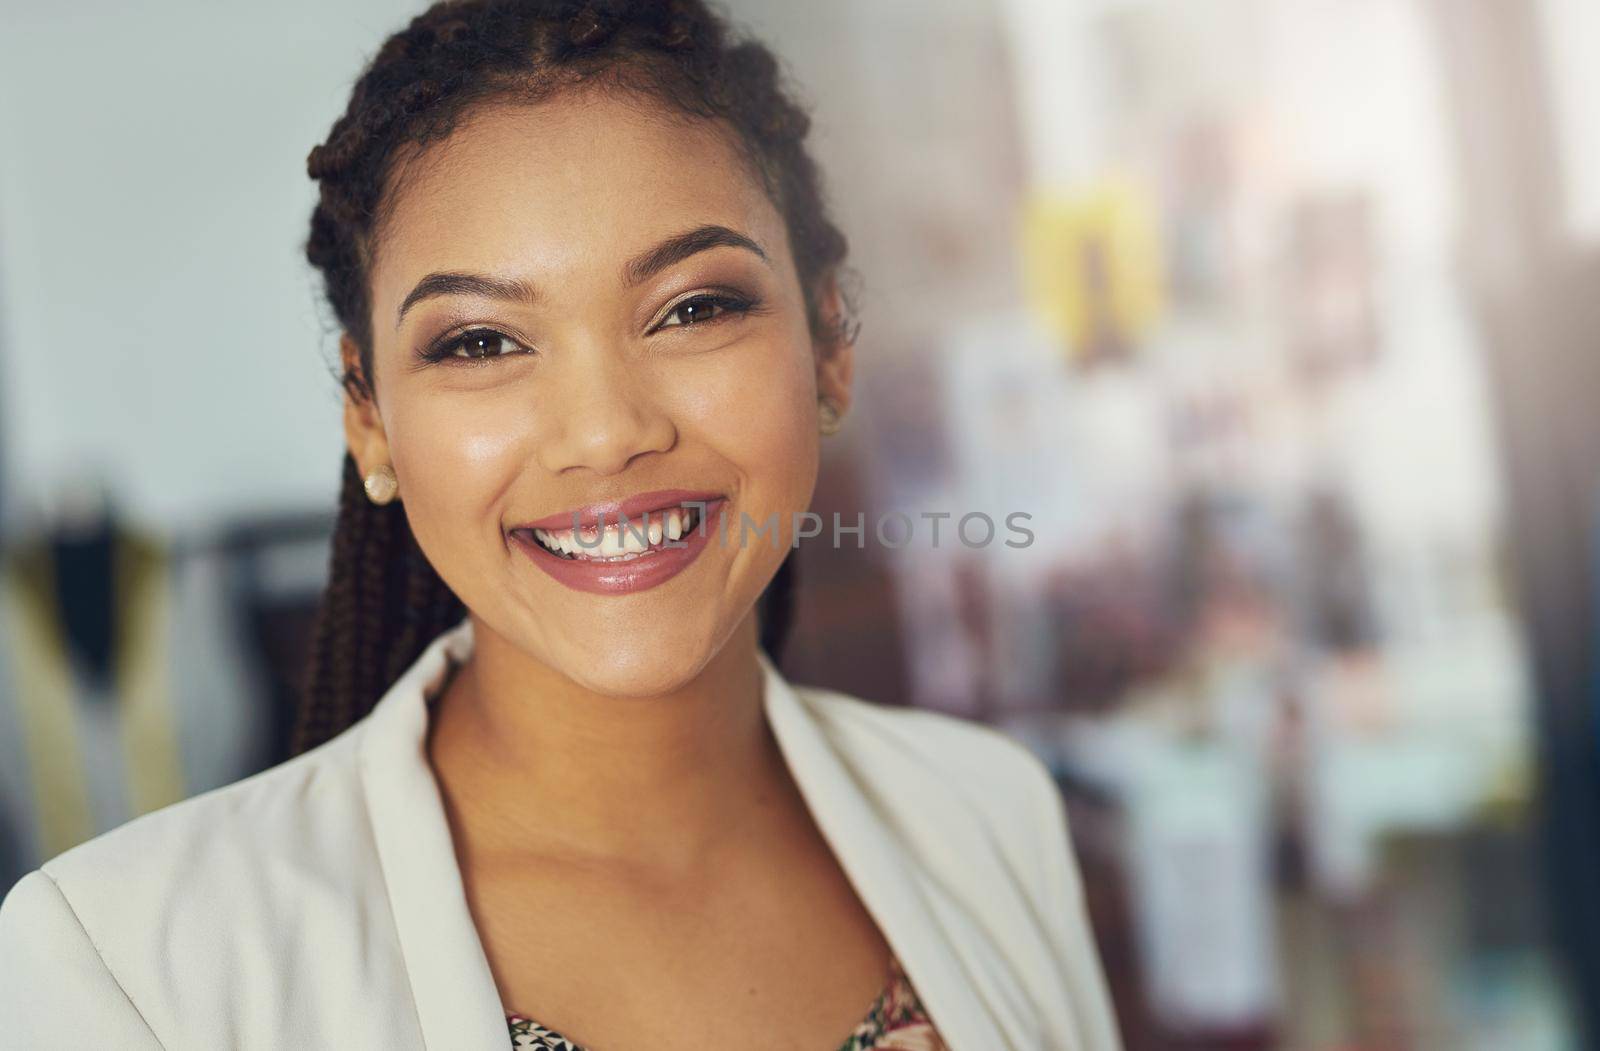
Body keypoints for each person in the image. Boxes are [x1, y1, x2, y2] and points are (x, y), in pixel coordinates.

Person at [0, 2, 1120, 1048]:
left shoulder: (988, 812)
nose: (603, 432)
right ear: (370, 419)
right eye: (480, 341)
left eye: (692, 307)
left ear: (828, 341)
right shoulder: (130, 968)